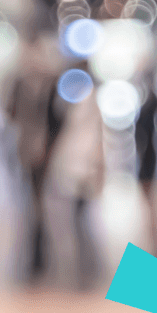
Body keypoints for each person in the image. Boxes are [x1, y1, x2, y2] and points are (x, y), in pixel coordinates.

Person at [7, 35, 64, 280]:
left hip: (46, 150)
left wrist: (49, 149)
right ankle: (34, 252)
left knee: (43, 203)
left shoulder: (53, 84)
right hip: (25, 148)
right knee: (30, 202)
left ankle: (43, 253)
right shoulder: (19, 83)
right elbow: (10, 110)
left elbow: (57, 120)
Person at [50, 90, 105, 289]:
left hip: (82, 179)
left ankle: (87, 271)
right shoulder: (77, 130)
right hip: (73, 178)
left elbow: (97, 156)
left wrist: (95, 176)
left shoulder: (92, 131)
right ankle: (80, 270)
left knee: (83, 227)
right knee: (76, 226)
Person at [134, 83, 157, 260]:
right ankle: (155, 239)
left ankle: (156, 239)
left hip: (148, 163)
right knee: (150, 205)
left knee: (150, 205)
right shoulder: (151, 110)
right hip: (148, 161)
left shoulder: (150, 110)